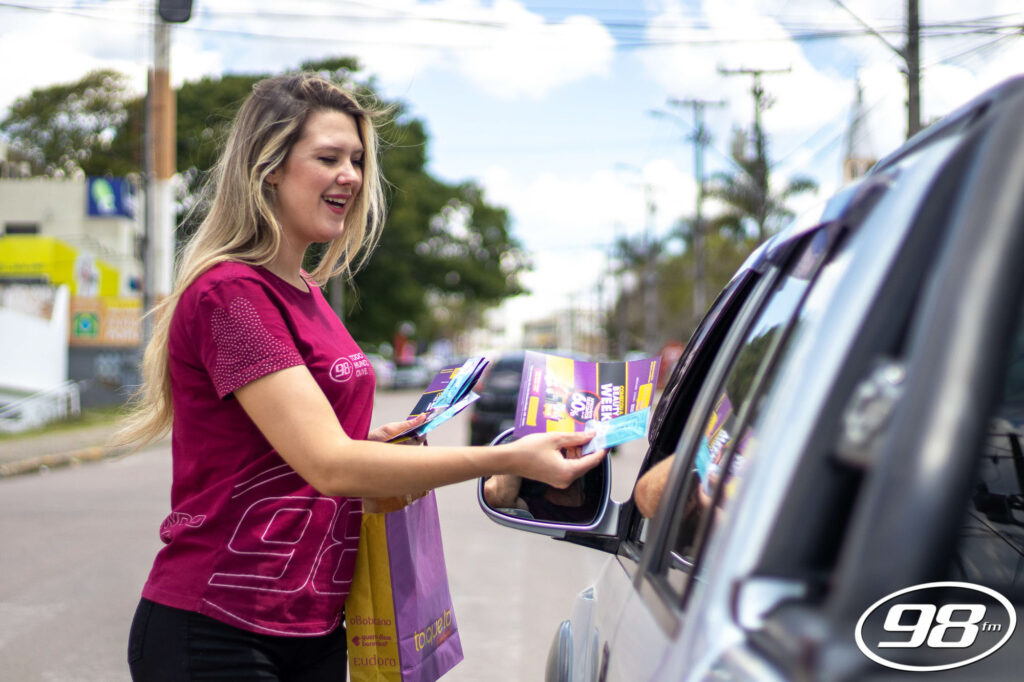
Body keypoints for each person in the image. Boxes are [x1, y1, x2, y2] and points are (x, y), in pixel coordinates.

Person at [116, 73, 604, 681]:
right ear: (269, 169)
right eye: (328, 158)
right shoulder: (231, 294)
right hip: (220, 628)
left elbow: (311, 449)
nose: (349, 175)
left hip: (315, 625)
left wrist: (370, 446)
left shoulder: (307, 292)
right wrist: (507, 459)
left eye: (356, 160)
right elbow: (329, 465)